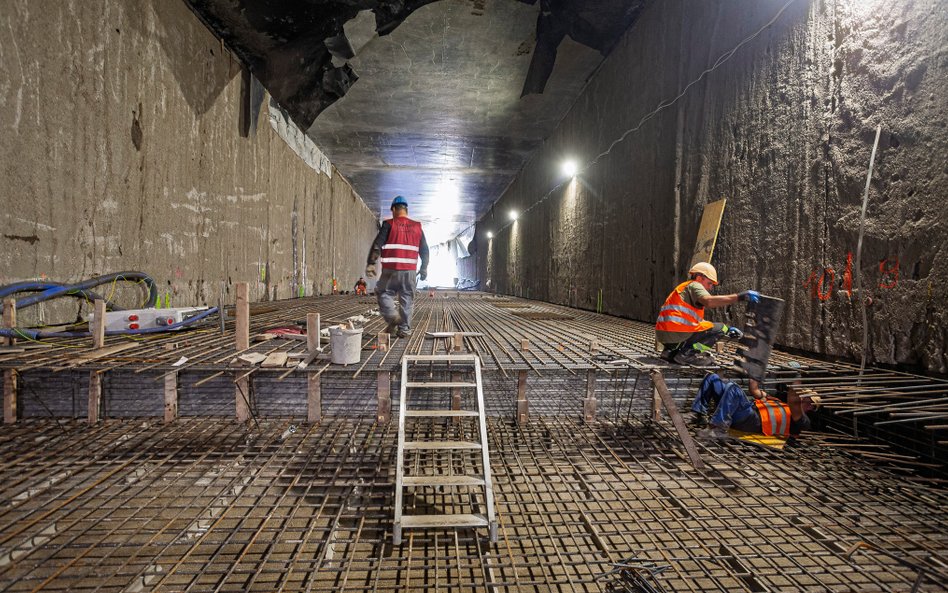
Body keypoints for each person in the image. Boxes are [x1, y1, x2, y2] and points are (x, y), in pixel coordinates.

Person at [655, 262, 760, 366]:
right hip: (677, 333)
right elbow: (709, 301)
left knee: (720, 328)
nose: (710, 288)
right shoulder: (695, 285)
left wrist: (729, 329)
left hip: (665, 336)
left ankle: (669, 353)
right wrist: (740, 297)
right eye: (709, 283)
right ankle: (687, 355)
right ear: (700, 277)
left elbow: (695, 322)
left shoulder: (683, 288)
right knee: (721, 328)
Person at [365, 196, 429, 337]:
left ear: (394, 209)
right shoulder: (417, 226)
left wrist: (371, 263)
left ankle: (393, 316)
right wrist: (424, 267)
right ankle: (404, 329)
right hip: (410, 272)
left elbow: (378, 245)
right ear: (406, 209)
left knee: (383, 293)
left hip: (390, 271)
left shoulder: (389, 224)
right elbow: (424, 249)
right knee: (407, 299)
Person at [691, 373, 814, 440]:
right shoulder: (779, 402)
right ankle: (700, 414)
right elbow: (754, 390)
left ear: (811, 408)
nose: (803, 399)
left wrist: (798, 378)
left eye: (807, 401)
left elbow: (794, 402)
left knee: (733, 388)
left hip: (752, 421)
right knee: (713, 378)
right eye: (804, 397)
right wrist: (755, 372)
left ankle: (718, 427)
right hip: (745, 410)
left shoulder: (802, 421)